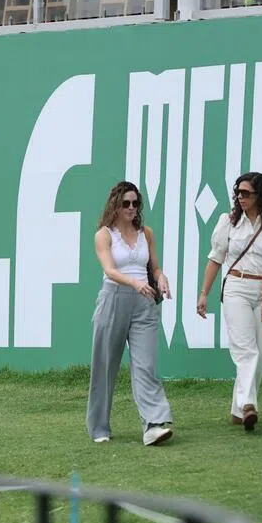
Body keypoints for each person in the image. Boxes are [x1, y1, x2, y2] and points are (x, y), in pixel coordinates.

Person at [196, 172, 262, 431]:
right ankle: (249, 403)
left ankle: (238, 411)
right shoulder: (228, 222)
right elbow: (216, 258)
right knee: (245, 349)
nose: (240, 197)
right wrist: (204, 293)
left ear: (260, 195)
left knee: (260, 352)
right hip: (236, 286)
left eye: (246, 193)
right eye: (238, 192)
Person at [88, 181, 175, 446]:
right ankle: (99, 427)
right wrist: (135, 283)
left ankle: (153, 424)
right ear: (115, 204)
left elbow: (155, 267)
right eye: (125, 203)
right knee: (105, 366)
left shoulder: (145, 233)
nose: (131, 208)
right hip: (114, 299)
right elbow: (110, 270)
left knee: (145, 365)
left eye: (135, 203)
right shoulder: (104, 235)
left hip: (145, 303)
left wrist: (161, 279)